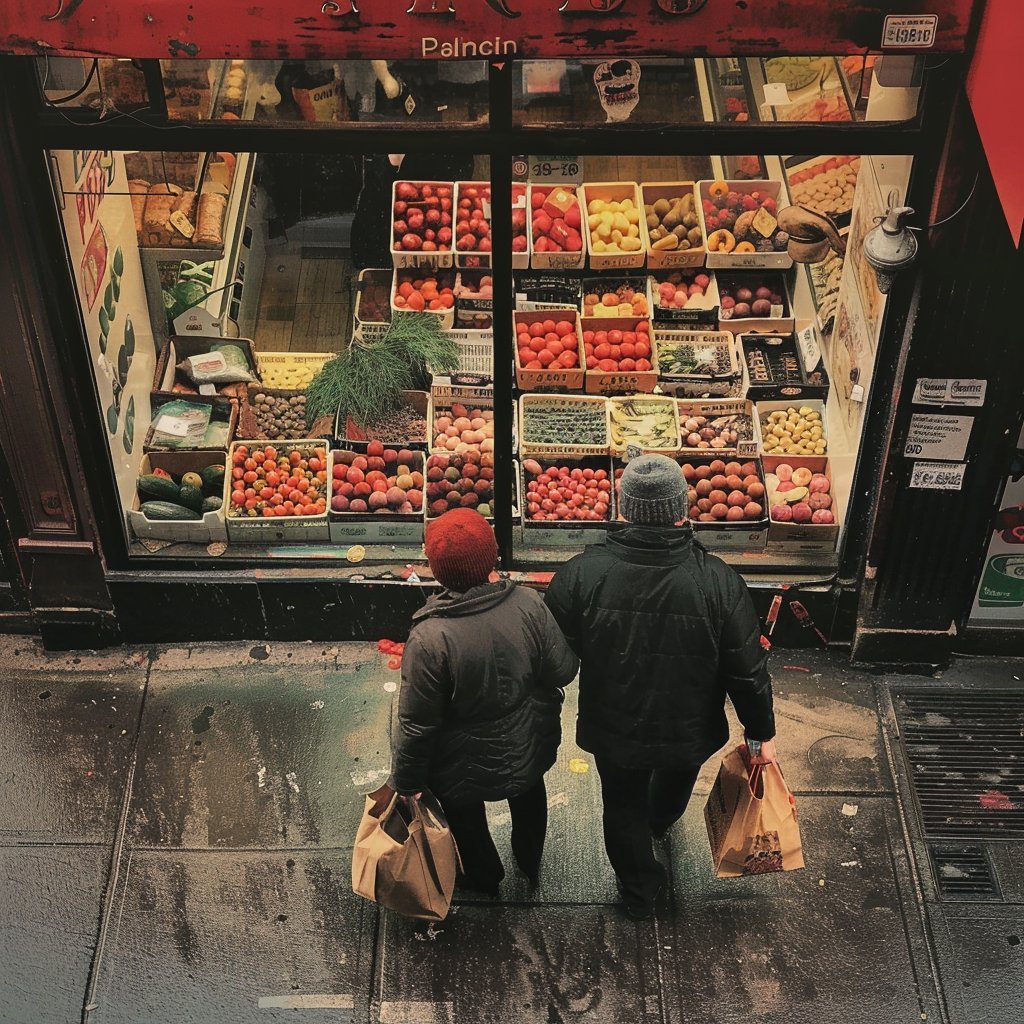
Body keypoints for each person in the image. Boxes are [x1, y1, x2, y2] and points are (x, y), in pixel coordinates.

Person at [545, 454, 776, 919]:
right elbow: (746, 670)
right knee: (674, 781)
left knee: (621, 805)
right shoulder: (718, 581)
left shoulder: (581, 574)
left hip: (615, 725)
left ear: (622, 508)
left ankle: (638, 890)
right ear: (682, 509)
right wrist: (759, 734)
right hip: (689, 726)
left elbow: (554, 657)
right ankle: (660, 821)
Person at [391, 508, 579, 896]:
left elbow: (417, 723)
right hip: (528, 741)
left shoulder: (429, 639)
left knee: (465, 817)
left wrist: (407, 781)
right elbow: (562, 669)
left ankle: (483, 874)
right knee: (529, 796)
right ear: (493, 557)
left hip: (459, 762)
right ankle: (529, 860)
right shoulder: (528, 604)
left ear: (436, 570)